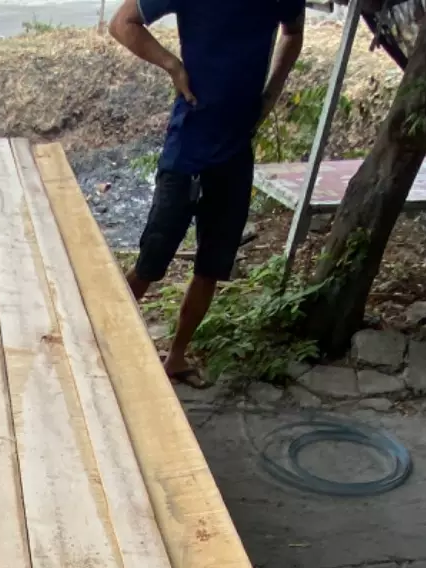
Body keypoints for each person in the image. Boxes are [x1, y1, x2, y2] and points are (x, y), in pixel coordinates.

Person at [110, 0, 304, 381]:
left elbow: (293, 33)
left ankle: (176, 357)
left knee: (211, 267)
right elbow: (122, 23)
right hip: (188, 149)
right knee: (151, 261)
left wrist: (271, 94)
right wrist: (172, 65)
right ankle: (100, 343)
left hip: (235, 152)